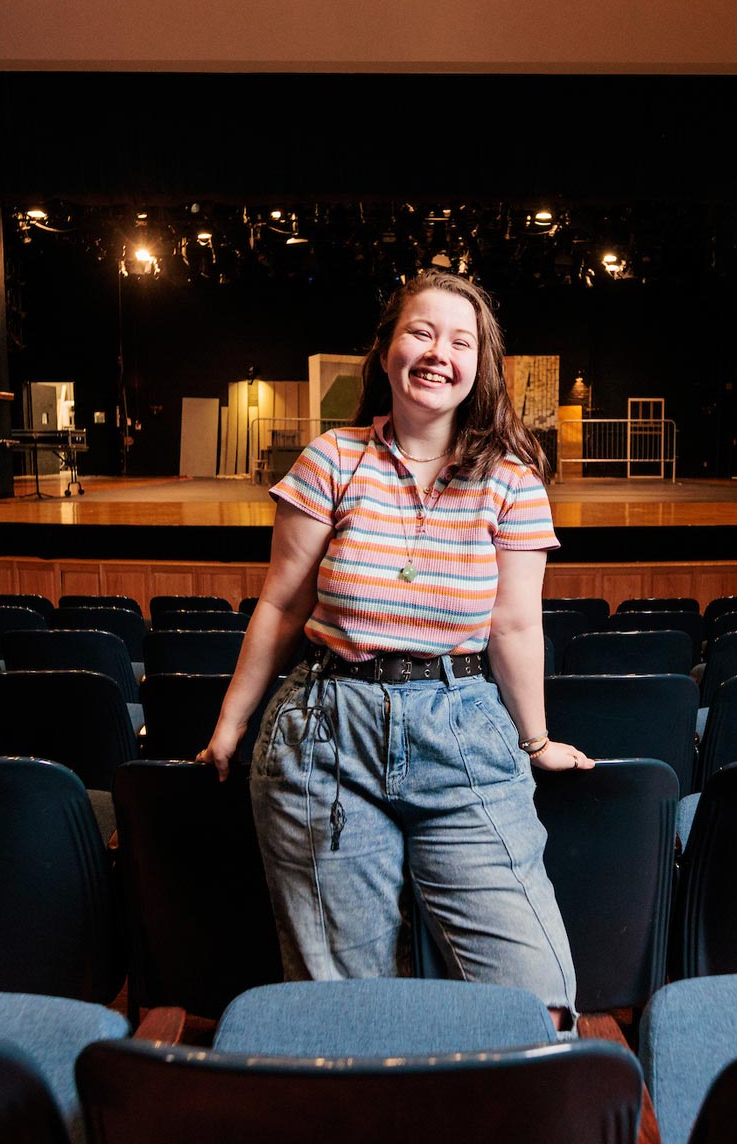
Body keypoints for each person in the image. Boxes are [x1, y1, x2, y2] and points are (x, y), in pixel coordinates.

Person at [196, 270, 593, 1025]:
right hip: (325, 732)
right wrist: (229, 726)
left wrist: (534, 740)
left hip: (464, 731)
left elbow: (514, 625)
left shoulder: (512, 481)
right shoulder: (332, 460)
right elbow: (281, 604)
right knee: (348, 1013)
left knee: (537, 1003)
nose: (438, 352)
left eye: (460, 340)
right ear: (385, 352)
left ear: (481, 366)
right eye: (420, 332)